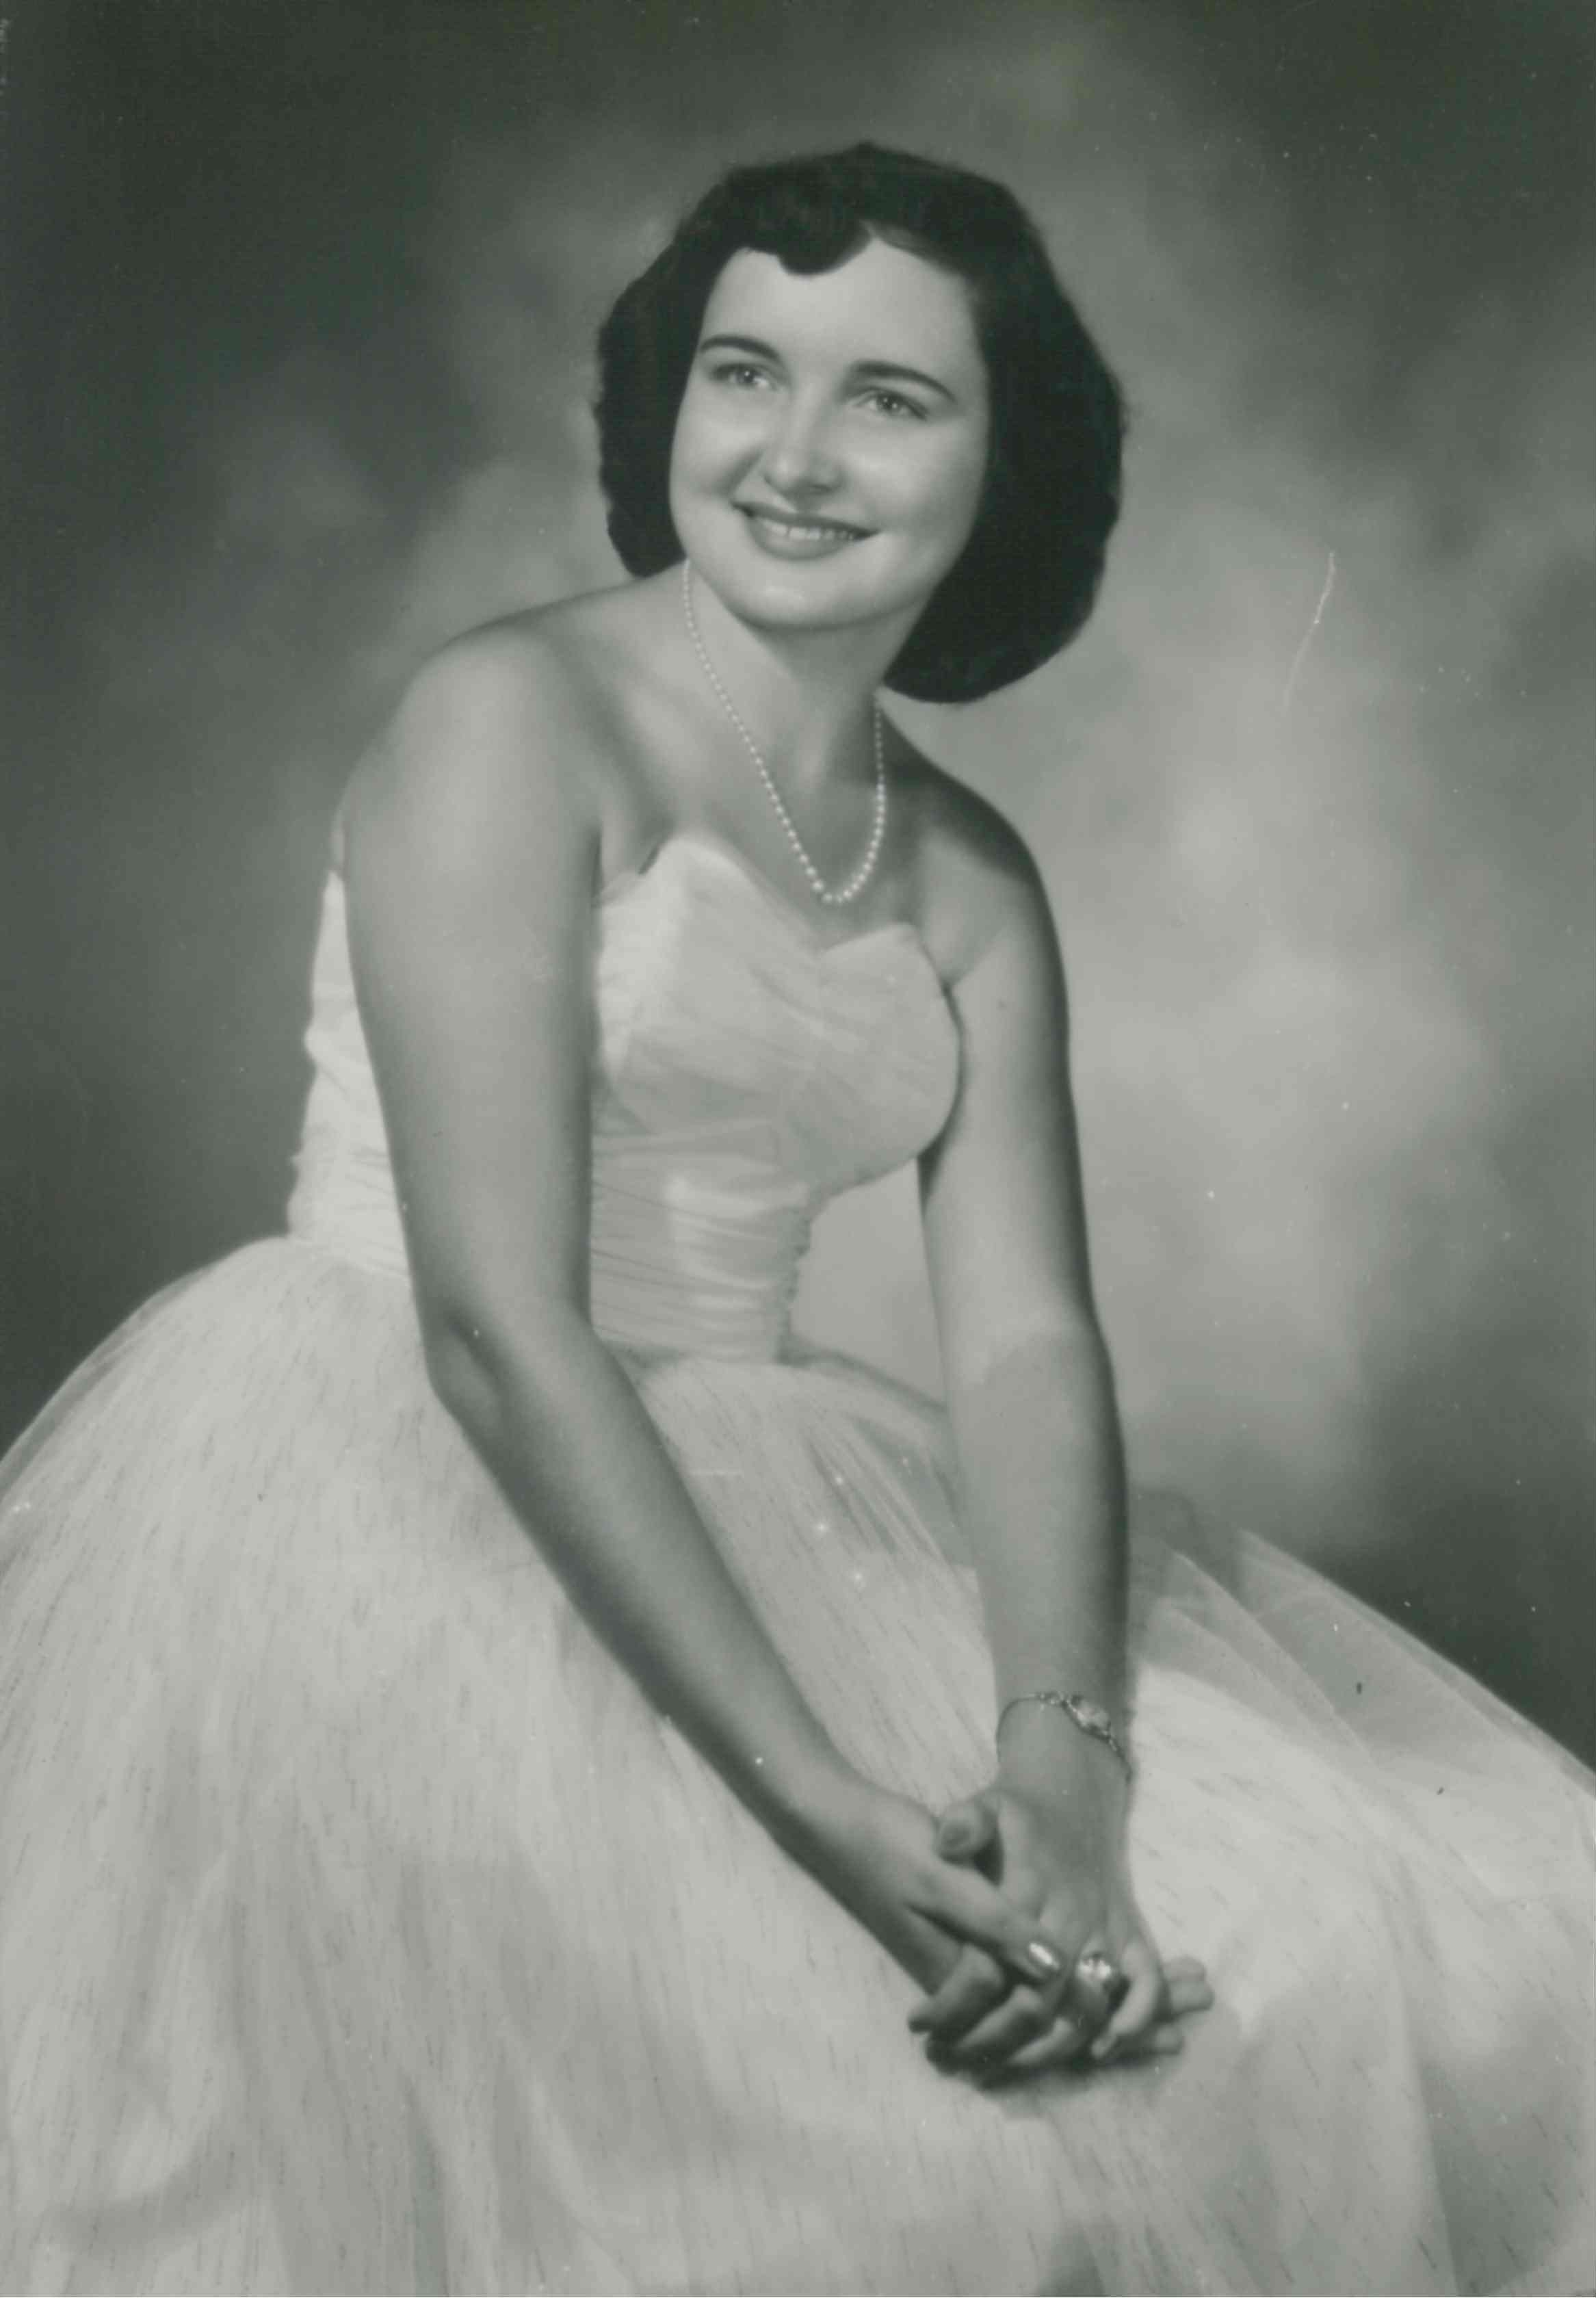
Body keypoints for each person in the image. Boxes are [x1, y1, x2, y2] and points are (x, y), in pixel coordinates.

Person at [0, 142, 1591, 2298]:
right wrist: (831, 1810)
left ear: (1006, 462)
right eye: (746, 372)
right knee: (827, 2154)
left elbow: (1023, 1344)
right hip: (409, 1497)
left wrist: (1066, 1768)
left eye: (890, 399)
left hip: (793, 1497)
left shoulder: (971, 874)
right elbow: (495, 1329)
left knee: (1440, 1938)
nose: (795, 453)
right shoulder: (507, 722)